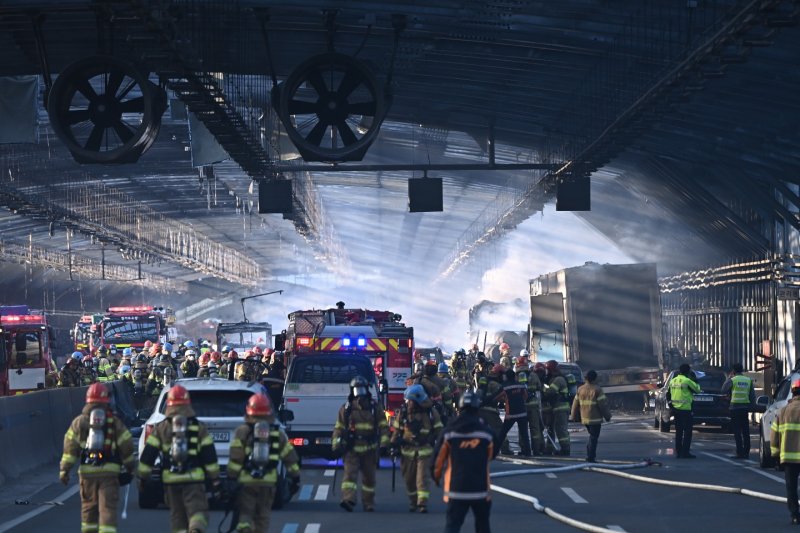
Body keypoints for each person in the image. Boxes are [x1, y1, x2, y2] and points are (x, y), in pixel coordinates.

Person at [138, 385, 221, 533]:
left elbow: (148, 455)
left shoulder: (161, 428)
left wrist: (142, 479)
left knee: (177, 516)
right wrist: (215, 480)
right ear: (188, 403)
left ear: (169, 404)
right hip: (194, 480)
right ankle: (195, 529)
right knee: (197, 511)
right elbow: (209, 456)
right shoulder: (198, 427)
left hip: (171, 481)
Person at [59, 383, 136, 533]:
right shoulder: (114, 422)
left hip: (87, 473)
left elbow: (70, 450)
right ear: (107, 400)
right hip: (110, 473)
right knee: (107, 510)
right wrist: (130, 467)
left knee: (89, 510)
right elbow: (126, 447)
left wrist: (64, 471)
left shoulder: (79, 422)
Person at [227, 393, 301, 532]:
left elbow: (236, 458)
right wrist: (295, 478)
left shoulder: (242, 431)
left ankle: (245, 529)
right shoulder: (277, 433)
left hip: (247, 483)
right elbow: (290, 458)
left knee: (245, 513)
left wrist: (232, 478)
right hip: (268, 483)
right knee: (262, 516)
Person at [433, 389, 496, 533]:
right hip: (480, 490)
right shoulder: (486, 433)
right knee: (483, 526)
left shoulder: (449, 432)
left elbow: (438, 460)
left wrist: (436, 477)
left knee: (452, 526)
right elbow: (491, 454)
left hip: (456, 490)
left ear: (460, 407)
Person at [331, 376, 390, 512]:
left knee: (369, 478)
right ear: (352, 391)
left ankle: (368, 503)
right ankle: (348, 499)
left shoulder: (375, 408)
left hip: (370, 449)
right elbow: (339, 428)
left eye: (362, 389)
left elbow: (383, 426)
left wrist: (384, 444)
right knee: (349, 476)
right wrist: (336, 446)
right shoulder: (346, 409)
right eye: (357, 389)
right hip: (351, 449)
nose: (360, 393)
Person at [391, 384, 443, 513]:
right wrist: (393, 445)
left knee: (422, 478)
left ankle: (422, 503)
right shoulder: (403, 412)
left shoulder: (430, 412)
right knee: (409, 479)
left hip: (424, 451)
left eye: (410, 401)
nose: (408, 403)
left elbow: (439, 430)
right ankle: (413, 501)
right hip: (407, 451)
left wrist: (437, 445)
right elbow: (396, 431)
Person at [771, 377, 800, 524]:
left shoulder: (783, 412)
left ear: (793, 392)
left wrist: (775, 455)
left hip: (789, 458)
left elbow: (774, 435)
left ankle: (795, 515)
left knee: (791, 487)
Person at [570, 370, 612, 463]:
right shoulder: (597, 389)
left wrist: (573, 416)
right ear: (595, 379)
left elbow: (575, 404)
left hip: (585, 419)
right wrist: (608, 416)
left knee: (592, 436)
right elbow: (603, 405)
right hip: (595, 419)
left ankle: (590, 455)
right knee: (593, 437)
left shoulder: (580, 389)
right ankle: (590, 457)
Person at [721, 363, 755, 459]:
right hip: (744, 409)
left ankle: (739, 452)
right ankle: (746, 452)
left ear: (733, 371)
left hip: (734, 408)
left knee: (737, 431)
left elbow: (723, 390)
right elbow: (752, 396)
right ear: (742, 370)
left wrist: (728, 377)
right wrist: (751, 407)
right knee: (745, 431)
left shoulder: (733, 380)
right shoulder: (748, 380)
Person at [668, 363, 701, 459]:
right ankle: (685, 452)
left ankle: (678, 452)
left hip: (676, 410)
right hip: (686, 410)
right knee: (687, 432)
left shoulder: (673, 381)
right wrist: (695, 380)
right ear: (688, 371)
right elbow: (698, 390)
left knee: (678, 432)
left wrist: (671, 406)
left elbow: (668, 394)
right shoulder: (687, 381)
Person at [498, 368, 531, 456]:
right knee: (524, 434)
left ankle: (495, 451)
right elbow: (526, 396)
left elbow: (497, 397)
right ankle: (528, 452)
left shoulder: (505, 386)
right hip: (522, 413)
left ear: (507, 377)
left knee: (502, 433)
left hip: (511, 414)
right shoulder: (520, 385)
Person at [516, 358, 544, 455]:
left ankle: (524, 449)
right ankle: (536, 449)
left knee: (522, 428)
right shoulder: (533, 375)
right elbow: (540, 387)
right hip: (533, 405)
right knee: (535, 428)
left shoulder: (516, 376)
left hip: (521, 406)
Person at [543, 360, 571, 455]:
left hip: (561, 408)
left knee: (561, 430)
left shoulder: (558, 379)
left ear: (550, 369)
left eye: (547, 369)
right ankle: (550, 448)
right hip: (557, 408)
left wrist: (542, 389)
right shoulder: (554, 378)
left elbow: (550, 392)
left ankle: (565, 449)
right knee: (552, 429)